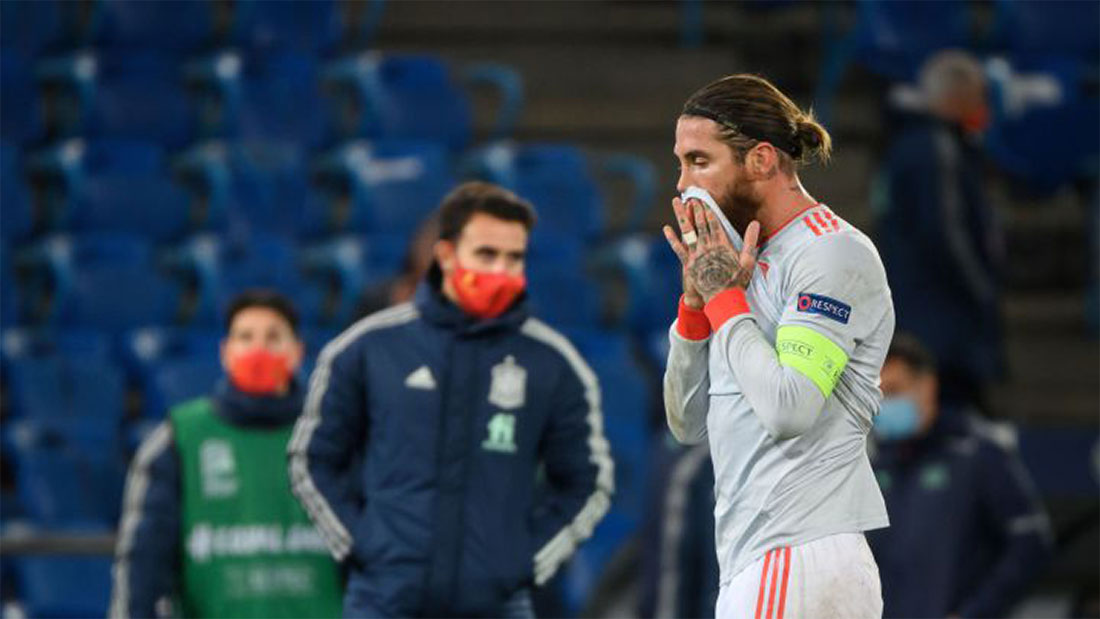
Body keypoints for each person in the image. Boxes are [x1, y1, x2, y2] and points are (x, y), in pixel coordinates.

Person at [288, 181, 614, 617]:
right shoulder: (364, 349)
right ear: (445, 256)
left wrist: (525, 562)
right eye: (486, 254)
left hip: (498, 605)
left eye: (513, 258)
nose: (501, 270)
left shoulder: (554, 363)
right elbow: (312, 460)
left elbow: (588, 482)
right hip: (383, 602)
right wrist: (361, 546)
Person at [662, 74, 894, 618]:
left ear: (761, 160)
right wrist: (696, 307)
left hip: (798, 554)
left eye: (699, 162)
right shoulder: (741, 265)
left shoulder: (830, 254)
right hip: (764, 561)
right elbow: (687, 423)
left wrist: (724, 299)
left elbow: (790, 409)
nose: (683, 184)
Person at [109, 291, 343, 618]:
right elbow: (143, 561)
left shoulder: (334, 435)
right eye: (245, 337)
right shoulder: (179, 438)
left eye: (273, 337)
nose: (258, 350)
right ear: (225, 352)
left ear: (297, 352)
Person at [867, 333, 1052, 618]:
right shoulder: (876, 462)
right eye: (879, 395)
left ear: (927, 385)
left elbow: (1030, 544)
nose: (884, 405)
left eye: (894, 390)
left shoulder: (978, 452)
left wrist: (975, 612)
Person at [874, 49, 1005, 409]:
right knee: (947, 409)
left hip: (922, 306)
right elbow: (945, 233)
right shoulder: (935, 149)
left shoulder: (911, 142)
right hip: (940, 318)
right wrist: (982, 289)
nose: (984, 109)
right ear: (957, 99)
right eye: (979, 98)